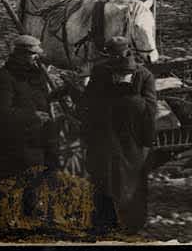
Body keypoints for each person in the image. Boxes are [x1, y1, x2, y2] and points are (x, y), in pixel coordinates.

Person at [79, 34, 158, 235]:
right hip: (117, 138)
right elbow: (149, 111)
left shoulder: (141, 75)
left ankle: (118, 223)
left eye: (116, 55)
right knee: (120, 180)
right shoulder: (104, 71)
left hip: (121, 137)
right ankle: (124, 223)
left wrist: (88, 135)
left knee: (116, 180)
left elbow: (150, 111)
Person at [0, 34, 73, 183]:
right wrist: (33, 116)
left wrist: (63, 91)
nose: (37, 58)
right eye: (33, 54)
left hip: (43, 138)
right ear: (20, 55)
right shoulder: (4, 78)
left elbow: (42, 99)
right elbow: (1, 112)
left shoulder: (36, 74)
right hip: (21, 142)